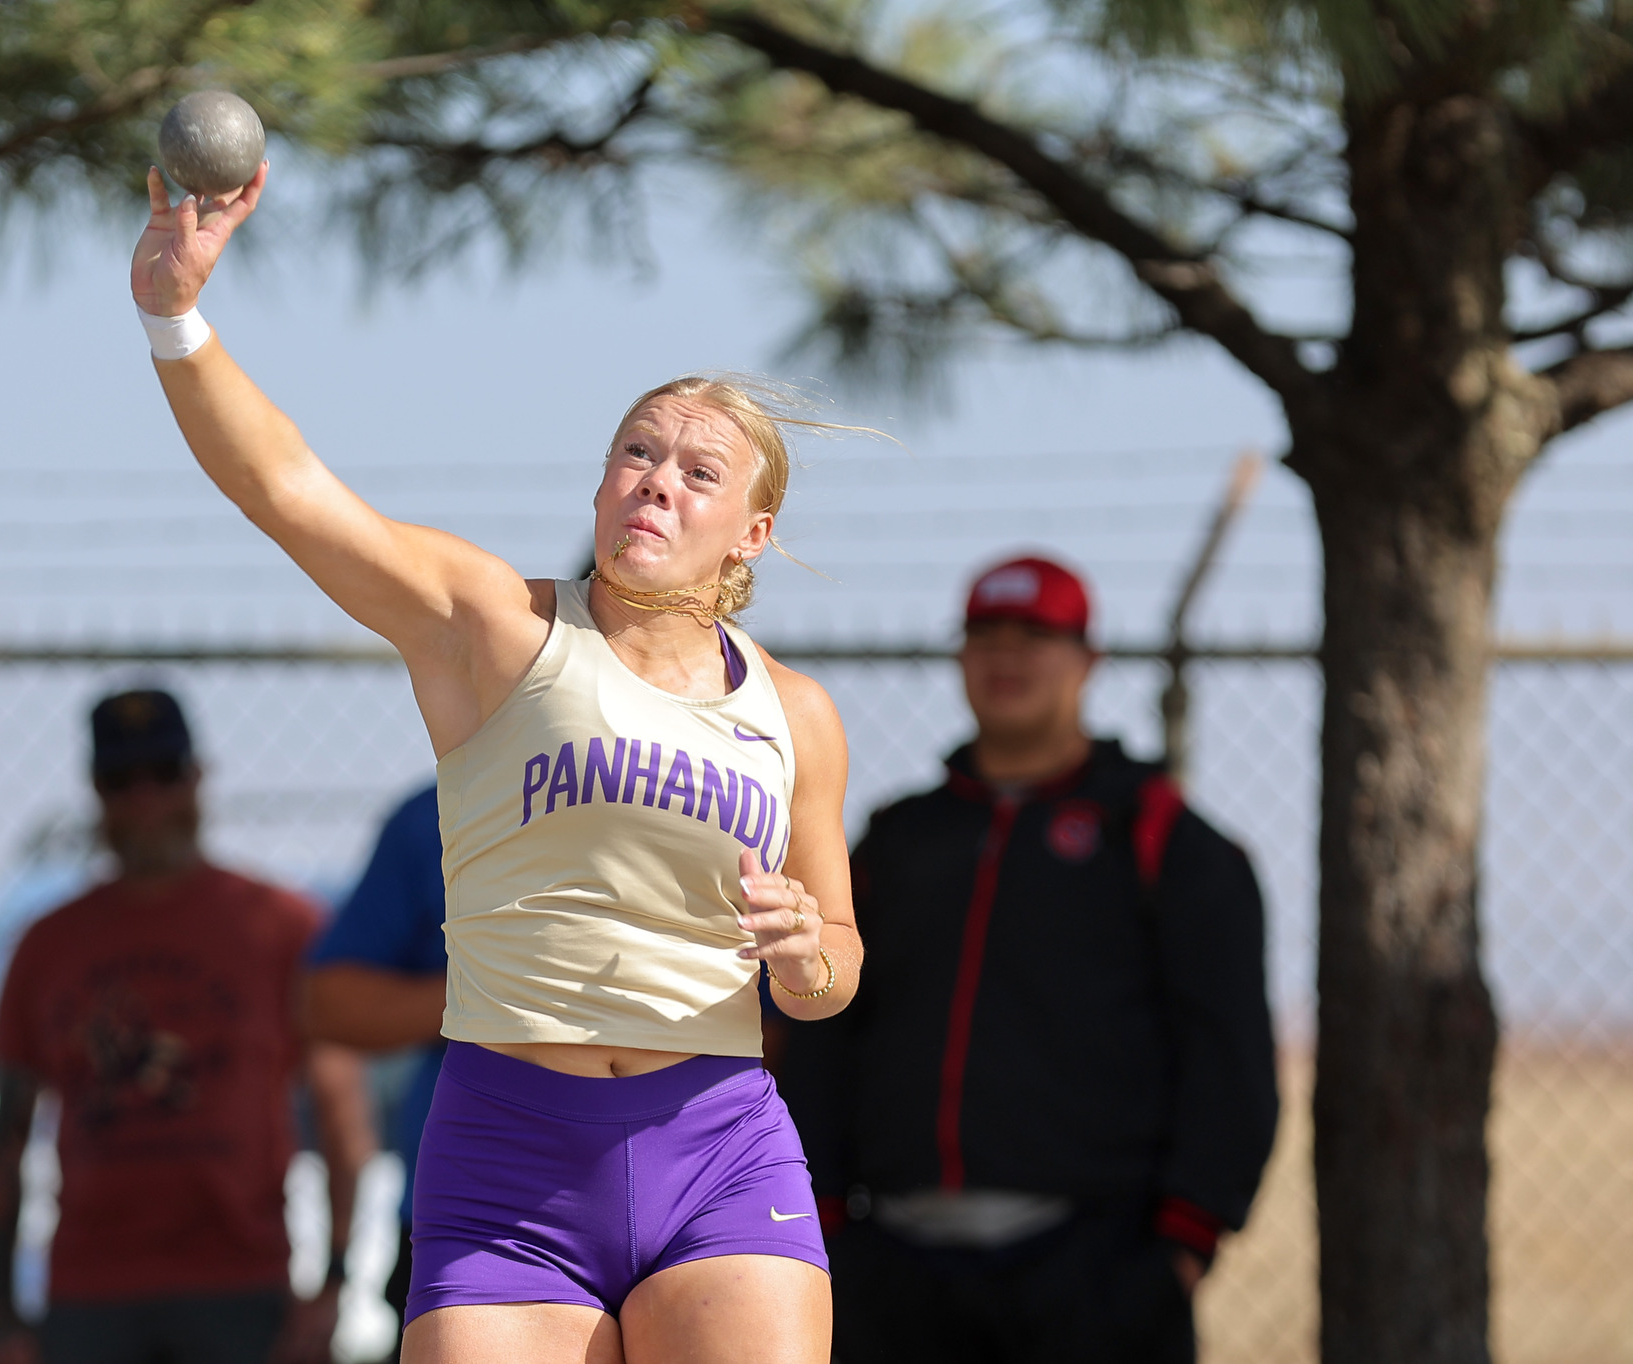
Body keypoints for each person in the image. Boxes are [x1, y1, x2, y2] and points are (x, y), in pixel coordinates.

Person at [130, 163, 862, 1364]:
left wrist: (806, 950)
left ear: (751, 533)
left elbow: (831, 972)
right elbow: (290, 490)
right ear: (598, 477)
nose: (656, 482)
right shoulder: (497, 629)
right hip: (510, 1145)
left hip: (718, 1141)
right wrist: (175, 315)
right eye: (637, 451)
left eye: (698, 472)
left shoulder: (796, 712)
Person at [782, 555, 1280, 1364]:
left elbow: (1230, 1058)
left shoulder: (1162, 840)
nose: (1006, 657)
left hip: (1097, 1270)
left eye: (1035, 636)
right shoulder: (897, 842)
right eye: (985, 637)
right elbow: (823, 1035)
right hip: (895, 1273)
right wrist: (828, 1223)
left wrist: (1181, 1248)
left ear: (1088, 660)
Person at [0, 687, 373, 1364]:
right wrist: (4, 1317)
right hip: (90, 1295)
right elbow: (7, 1142)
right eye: (122, 782)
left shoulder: (281, 927)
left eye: (163, 775)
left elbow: (342, 1118)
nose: (146, 802)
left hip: (243, 1288)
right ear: (96, 793)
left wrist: (335, 1280)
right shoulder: (45, 947)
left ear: (197, 779)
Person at [302, 783, 447, 1359]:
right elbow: (325, 1002)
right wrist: (506, 994)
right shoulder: (437, 815)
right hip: (467, 1215)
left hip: (694, 1202)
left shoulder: (729, 783)